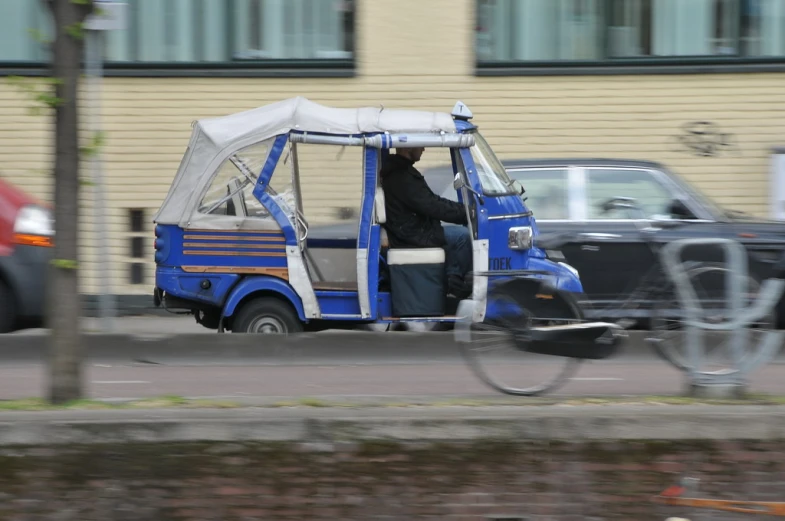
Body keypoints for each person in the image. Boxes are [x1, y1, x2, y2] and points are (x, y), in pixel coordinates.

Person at [380, 147, 473, 298]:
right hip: (412, 235)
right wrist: (465, 213)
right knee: (462, 236)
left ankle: (452, 279)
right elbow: (431, 205)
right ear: (407, 148)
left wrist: (462, 210)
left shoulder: (402, 172)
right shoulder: (402, 176)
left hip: (413, 230)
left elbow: (431, 201)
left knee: (453, 235)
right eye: (420, 144)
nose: (424, 148)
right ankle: (453, 285)